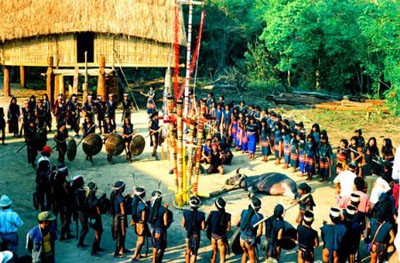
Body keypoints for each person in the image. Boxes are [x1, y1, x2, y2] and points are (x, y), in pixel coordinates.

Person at [237, 197, 263, 263]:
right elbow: (259, 233)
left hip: (241, 239)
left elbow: (237, 223)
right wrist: (256, 238)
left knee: (245, 253)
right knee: (252, 259)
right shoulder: (259, 217)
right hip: (250, 240)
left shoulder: (243, 211)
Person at [51, 165, 74, 241]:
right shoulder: (63, 182)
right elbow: (68, 193)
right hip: (64, 202)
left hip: (56, 202)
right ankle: (63, 235)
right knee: (65, 219)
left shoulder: (55, 179)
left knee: (57, 217)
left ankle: (59, 232)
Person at [206, 197, 231, 263]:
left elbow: (208, 223)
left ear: (216, 206)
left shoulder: (212, 213)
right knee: (222, 257)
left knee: (214, 253)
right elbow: (228, 229)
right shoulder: (227, 215)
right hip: (221, 238)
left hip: (213, 236)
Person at [182, 196, 206, 263]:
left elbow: (183, 224)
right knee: (194, 253)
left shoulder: (185, 213)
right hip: (196, 235)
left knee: (188, 252)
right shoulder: (201, 214)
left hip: (188, 235)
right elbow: (203, 227)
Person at [148, 190, 169, 263]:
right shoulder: (163, 209)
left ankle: (153, 260)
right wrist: (166, 209)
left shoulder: (150, 207)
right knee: (161, 247)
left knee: (154, 246)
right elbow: (165, 223)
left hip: (153, 229)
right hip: (160, 230)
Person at [110, 181, 129, 257]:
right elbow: (123, 212)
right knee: (121, 235)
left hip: (116, 216)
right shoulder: (121, 199)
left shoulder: (114, 195)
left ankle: (122, 249)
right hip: (120, 219)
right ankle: (116, 252)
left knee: (120, 234)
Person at [85, 182, 104, 256]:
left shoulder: (87, 197)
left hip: (90, 218)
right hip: (95, 218)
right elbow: (98, 211)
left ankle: (97, 247)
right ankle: (94, 251)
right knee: (97, 234)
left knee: (99, 232)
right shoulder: (94, 198)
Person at [70, 175, 89, 248]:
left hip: (77, 210)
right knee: (85, 227)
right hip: (81, 211)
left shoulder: (73, 188)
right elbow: (79, 203)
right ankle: (80, 243)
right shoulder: (78, 191)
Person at [130, 186, 148, 262]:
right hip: (141, 224)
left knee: (139, 239)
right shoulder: (142, 206)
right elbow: (143, 218)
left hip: (137, 223)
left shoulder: (135, 202)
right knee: (141, 241)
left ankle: (138, 254)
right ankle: (134, 256)